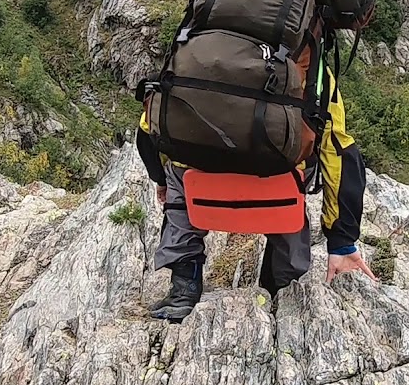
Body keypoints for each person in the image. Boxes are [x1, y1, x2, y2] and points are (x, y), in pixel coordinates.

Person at [135, 66, 377, 321]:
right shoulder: (310, 62)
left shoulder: (194, 41)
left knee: (178, 178)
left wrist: (160, 179)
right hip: (277, 186)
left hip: (201, 179)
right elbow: (338, 150)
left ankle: (184, 287)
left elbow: (148, 127)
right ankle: (284, 288)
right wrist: (341, 240)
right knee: (296, 179)